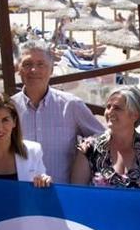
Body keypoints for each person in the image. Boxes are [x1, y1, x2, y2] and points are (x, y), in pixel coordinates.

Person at [11, 41, 105, 184]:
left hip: (62, 196)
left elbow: (103, 139)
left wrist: (84, 156)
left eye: (40, 64)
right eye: (27, 64)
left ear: (52, 70)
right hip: (21, 196)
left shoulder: (71, 105)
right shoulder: (9, 109)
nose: (34, 70)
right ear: (19, 69)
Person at [71, 88, 140, 189]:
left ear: (134, 115)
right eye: (108, 107)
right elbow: (77, 194)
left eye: (117, 108)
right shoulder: (88, 148)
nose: (109, 112)